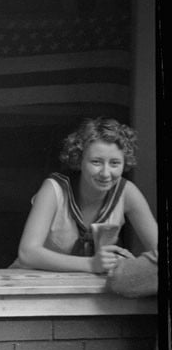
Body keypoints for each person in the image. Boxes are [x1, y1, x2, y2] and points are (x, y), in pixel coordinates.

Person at [15, 117, 157, 273]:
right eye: (96, 162)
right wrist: (91, 264)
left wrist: (131, 263)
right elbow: (27, 254)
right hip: (32, 284)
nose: (105, 173)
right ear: (79, 159)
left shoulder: (127, 192)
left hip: (88, 288)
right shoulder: (54, 189)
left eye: (115, 163)